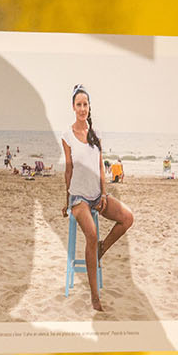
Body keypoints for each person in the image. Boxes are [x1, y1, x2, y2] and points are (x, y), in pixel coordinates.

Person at [60, 84, 134, 312]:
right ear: (73, 107)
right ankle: (94, 297)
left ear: (89, 107)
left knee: (127, 218)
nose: (82, 108)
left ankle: (101, 249)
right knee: (91, 234)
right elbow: (69, 170)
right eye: (78, 104)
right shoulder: (67, 136)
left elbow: (101, 167)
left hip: (96, 195)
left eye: (85, 104)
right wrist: (67, 200)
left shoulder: (96, 134)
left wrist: (103, 194)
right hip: (79, 198)